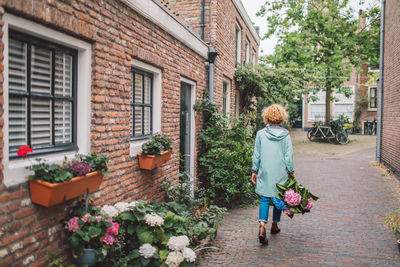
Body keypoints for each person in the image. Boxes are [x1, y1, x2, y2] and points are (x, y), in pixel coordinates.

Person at [251, 104, 295, 245]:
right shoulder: (285, 134)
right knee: (278, 196)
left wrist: (254, 170)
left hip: (265, 170)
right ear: (282, 117)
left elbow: (256, 155)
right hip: (280, 170)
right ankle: (275, 225)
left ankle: (262, 226)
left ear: (267, 117)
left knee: (264, 198)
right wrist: (291, 171)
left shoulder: (261, 134)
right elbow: (288, 156)